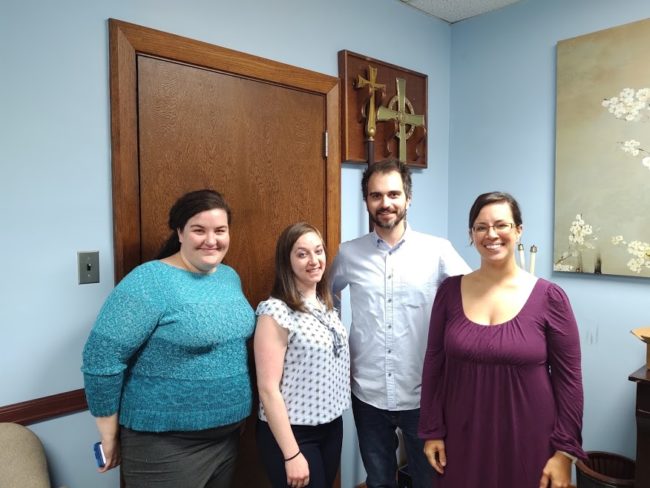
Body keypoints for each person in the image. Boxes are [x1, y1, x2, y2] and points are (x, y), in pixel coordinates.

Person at [81, 189, 255, 488]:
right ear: (180, 232)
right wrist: (108, 433)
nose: (211, 240)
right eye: (199, 230)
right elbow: (101, 355)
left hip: (226, 438)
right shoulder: (150, 280)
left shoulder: (229, 276)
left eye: (220, 230)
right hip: (164, 445)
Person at [418, 191, 587, 488]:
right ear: (471, 234)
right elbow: (434, 364)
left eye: (501, 225)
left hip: (529, 438)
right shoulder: (449, 292)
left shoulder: (550, 297)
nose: (491, 234)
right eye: (481, 227)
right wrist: (433, 429)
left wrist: (565, 452)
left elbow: (569, 381)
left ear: (518, 230)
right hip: (461, 436)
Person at [330, 160, 470, 488]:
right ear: (366, 201)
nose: (385, 203)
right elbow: (328, 297)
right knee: (379, 481)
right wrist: (334, 348)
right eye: (376, 195)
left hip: (423, 395)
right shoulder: (349, 254)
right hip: (368, 393)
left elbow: (471, 298)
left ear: (408, 198)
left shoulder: (437, 251)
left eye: (394, 193)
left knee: (428, 481)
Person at [254, 222, 350, 488]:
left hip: (331, 427)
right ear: (287, 261)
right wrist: (292, 453)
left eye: (318, 251)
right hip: (294, 434)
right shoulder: (275, 311)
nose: (314, 260)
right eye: (302, 253)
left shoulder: (326, 306)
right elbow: (268, 390)